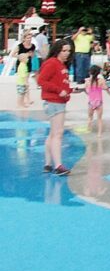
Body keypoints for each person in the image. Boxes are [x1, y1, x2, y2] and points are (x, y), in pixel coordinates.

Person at [39, 39, 73, 175]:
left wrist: (70, 90)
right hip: (54, 101)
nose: (67, 53)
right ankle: (58, 165)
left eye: (69, 51)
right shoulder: (52, 63)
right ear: (57, 50)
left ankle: (48, 164)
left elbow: (61, 83)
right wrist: (59, 91)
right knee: (58, 133)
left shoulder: (61, 65)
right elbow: (41, 80)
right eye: (64, 51)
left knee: (53, 133)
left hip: (58, 101)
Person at [85, 65, 110, 136]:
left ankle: (88, 129)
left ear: (90, 72)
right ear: (98, 73)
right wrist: (109, 92)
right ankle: (99, 134)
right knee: (99, 119)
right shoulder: (101, 80)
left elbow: (87, 91)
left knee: (90, 117)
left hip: (91, 102)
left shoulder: (87, 81)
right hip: (99, 102)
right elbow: (105, 88)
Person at [15, 43, 32, 108]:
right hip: (21, 83)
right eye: (27, 58)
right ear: (23, 59)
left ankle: (22, 103)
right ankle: (19, 104)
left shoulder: (23, 65)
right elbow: (23, 76)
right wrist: (26, 83)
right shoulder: (22, 66)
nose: (28, 59)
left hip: (22, 82)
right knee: (21, 94)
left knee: (23, 93)